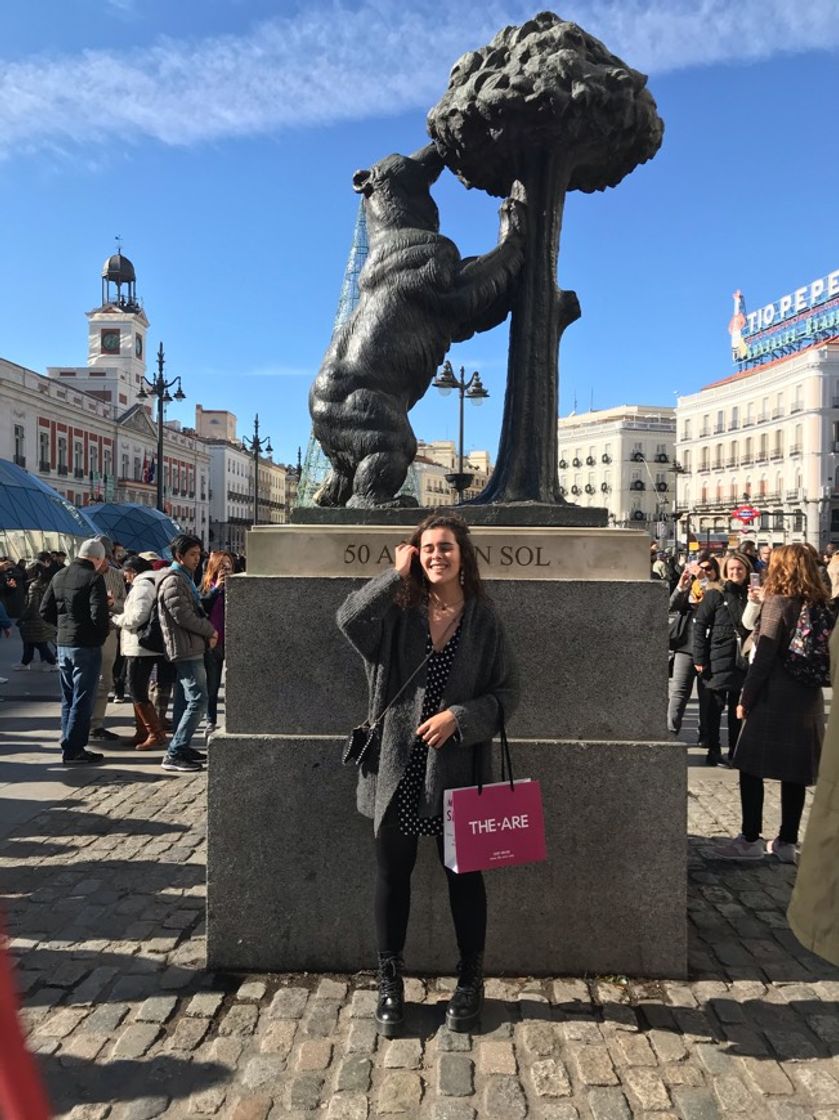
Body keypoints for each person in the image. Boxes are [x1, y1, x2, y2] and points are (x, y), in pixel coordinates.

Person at [337, 512, 519, 1037]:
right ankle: (390, 978)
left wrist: (460, 718)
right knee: (392, 874)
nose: (436, 555)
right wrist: (395, 575)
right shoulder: (398, 610)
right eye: (427, 547)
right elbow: (348, 620)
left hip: (457, 768)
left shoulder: (483, 620)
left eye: (446, 547)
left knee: (464, 876)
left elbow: (509, 692)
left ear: (464, 556)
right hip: (395, 764)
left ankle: (470, 977)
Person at [717, 543, 833, 861]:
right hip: (807, 697)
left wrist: (746, 697)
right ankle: (786, 842)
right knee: (793, 772)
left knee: (749, 764)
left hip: (774, 696)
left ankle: (750, 838)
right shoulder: (821, 603)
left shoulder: (779, 602)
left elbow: (764, 658)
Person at [39, 538, 110, 765]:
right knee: (83, 697)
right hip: (86, 645)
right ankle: (75, 748)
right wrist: (99, 636)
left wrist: (63, 627)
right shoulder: (94, 578)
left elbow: (44, 610)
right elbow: (98, 615)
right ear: (98, 559)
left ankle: (67, 741)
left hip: (64, 644)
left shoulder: (59, 575)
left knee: (68, 696)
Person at [158, 534, 218, 774]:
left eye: (198, 554)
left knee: (185, 699)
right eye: (192, 554)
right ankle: (174, 751)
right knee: (199, 699)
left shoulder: (185, 579)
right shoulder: (173, 581)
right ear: (178, 556)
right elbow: (183, 615)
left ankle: (181, 746)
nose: (197, 559)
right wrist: (210, 630)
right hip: (185, 647)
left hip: (191, 645)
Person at [693, 551, 752, 766]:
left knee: (738, 706)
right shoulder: (715, 594)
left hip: (742, 656)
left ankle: (736, 750)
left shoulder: (751, 594)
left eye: (740, 569)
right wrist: (699, 657)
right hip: (718, 654)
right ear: (726, 571)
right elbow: (700, 625)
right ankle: (714, 749)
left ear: (747, 571)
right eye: (732, 569)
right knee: (715, 706)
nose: (736, 572)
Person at [112, 555, 168, 750]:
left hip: (139, 646)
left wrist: (118, 619)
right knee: (137, 688)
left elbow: (137, 616)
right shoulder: (151, 582)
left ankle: (155, 733)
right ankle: (143, 731)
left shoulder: (142, 586)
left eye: (125, 573)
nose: (124, 577)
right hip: (142, 645)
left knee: (136, 688)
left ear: (133, 571)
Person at [89, 536, 127, 744]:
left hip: (109, 631)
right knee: (86, 681)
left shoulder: (115, 575)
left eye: (104, 557)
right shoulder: (83, 575)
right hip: (86, 634)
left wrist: (112, 603)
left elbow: (124, 603)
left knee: (105, 680)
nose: (102, 562)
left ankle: (97, 724)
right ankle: (81, 723)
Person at [200, 550, 235, 737]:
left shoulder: (237, 585)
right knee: (212, 686)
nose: (225, 568)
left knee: (233, 685)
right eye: (222, 565)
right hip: (213, 642)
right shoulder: (207, 586)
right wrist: (217, 589)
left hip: (231, 640)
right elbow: (201, 606)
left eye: (228, 565)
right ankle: (210, 721)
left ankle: (232, 719)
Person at [14, 563, 58, 670]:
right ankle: (25, 661)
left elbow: (32, 605)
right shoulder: (48, 583)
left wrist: (23, 618)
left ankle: (51, 662)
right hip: (45, 616)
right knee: (31, 640)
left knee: (38, 642)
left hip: (34, 619)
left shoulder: (34, 586)